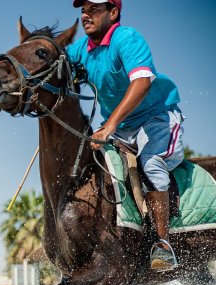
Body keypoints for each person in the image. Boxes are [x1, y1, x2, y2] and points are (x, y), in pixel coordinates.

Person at [66, 0, 184, 271]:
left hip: (158, 118)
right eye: (82, 10)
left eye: (93, 9)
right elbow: (58, 65)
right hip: (119, 127)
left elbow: (142, 81)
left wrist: (109, 126)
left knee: (151, 163)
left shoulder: (127, 38)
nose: (85, 14)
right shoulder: (79, 50)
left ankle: (162, 246)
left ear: (113, 12)